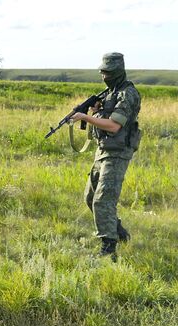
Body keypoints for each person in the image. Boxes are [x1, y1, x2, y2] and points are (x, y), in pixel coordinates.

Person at [70, 52, 141, 262]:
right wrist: (94, 112)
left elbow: (114, 125)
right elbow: (103, 122)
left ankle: (109, 248)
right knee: (90, 198)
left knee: (103, 200)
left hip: (118, 153)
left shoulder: (128, 94)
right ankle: (118, 230)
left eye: (108, 72)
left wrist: (86, 117)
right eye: (102, 72)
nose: (104, 76)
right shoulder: (109, 93)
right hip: (102, 151)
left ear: (118, 72)